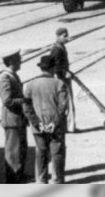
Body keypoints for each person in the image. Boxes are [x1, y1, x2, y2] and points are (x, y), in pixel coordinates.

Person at [25, 55, 69, 184]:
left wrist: (37, 123)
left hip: (38, 127)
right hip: (56, 126)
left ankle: (41, 180)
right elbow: (63, 107)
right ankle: (57, 180)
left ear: (41, 68)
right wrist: (54, 123)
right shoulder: (59, 84)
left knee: (41, 153)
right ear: (53, 68)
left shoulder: (31, 84)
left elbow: (26, 107)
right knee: (57, 153)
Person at [0, 50, 30, 183]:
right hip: (12, 120)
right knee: (13, 151)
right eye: (18, 60)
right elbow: (7, 100)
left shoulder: (13, 75)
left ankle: (20, 175)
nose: (21, 62)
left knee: (21, 149)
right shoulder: (5, 77)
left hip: (18, 119)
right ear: (11, 62)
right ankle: (13, 180)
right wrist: (24, 100)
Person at [47, 27, 77, 133]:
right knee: (67, 102)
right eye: (64, 36)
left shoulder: (60, 47)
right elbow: (55, 66)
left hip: (61, 78)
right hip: (62, 80)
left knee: (65, 103)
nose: (66, 38)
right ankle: (70, 126)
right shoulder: (57, 49)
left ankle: (67, 126)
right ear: (58, 36)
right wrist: (64, 73)